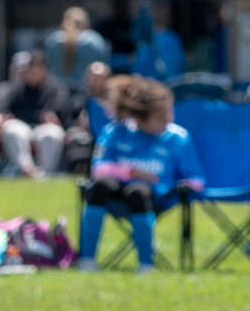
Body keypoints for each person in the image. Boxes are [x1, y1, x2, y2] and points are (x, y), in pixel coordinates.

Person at [75, 76, 204, 273]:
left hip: (153, 196)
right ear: (139, 118)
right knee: (99, 187)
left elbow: (196, 179)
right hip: (115, 191)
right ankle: (86, 261)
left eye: (169, 112)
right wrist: (132, 172)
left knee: (138, 192)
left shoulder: (176, 138)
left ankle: (145, 264)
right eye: (161, 116)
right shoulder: (116, 132)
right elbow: (98, 169)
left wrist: (172, 184)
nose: (169, 119)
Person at [0, 50, 70, 177]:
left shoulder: (56, 89)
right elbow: (3, 110)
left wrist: (45, 117)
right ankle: (27, 170)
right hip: (22, 126)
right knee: (12, 129)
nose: (31, 73)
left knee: (51, 133)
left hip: (44, 129)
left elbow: (58, 113)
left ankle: (46, 174)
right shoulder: (15, 87)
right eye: (29, 68)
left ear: (43, 69)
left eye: (36, 68)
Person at [44, 6, 110, 88]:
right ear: (85, 23)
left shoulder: (53, 41)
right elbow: (104, 67)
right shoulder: (94, 41)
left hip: (58, 93)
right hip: (86, 93)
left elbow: (48, 67)